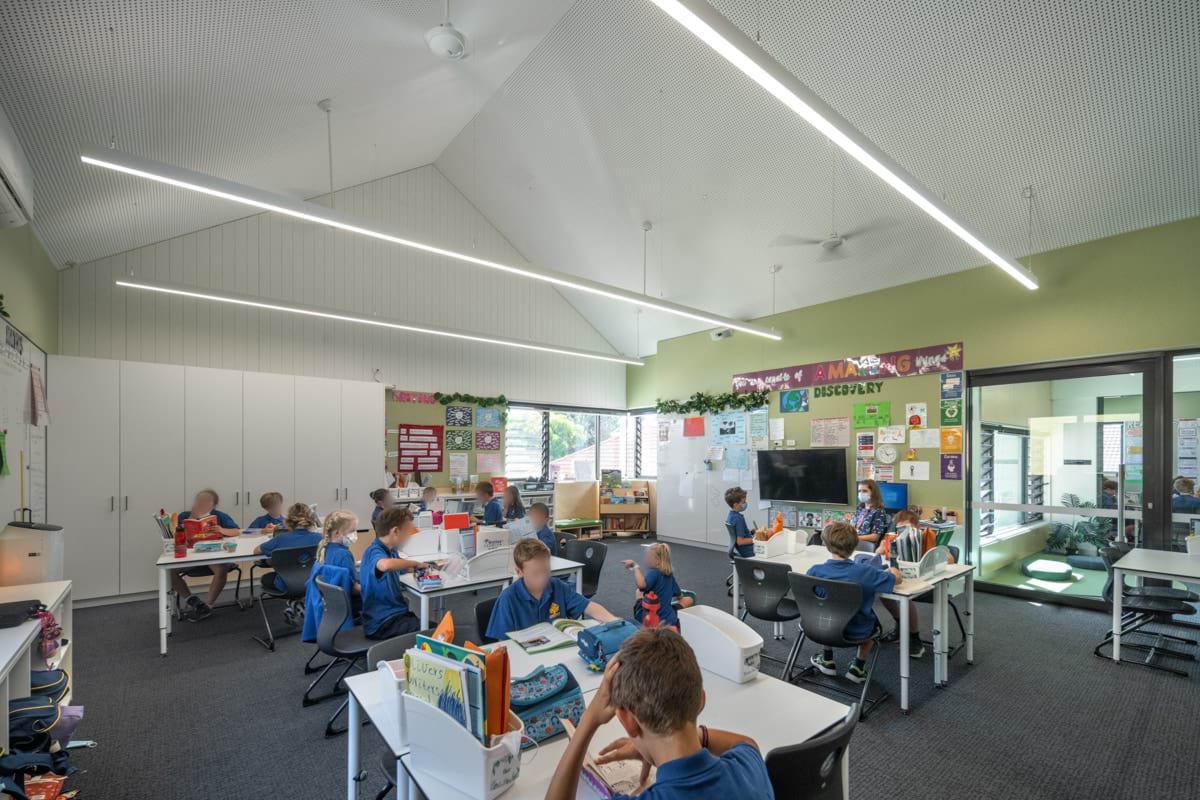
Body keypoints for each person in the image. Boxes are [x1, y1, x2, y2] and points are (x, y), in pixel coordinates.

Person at [546, 628, 773, 800]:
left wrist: (589, 720)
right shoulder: (749, 769)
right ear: (701, 701)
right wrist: (682, 738)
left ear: (628, 721)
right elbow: (746, 743)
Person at [807, 521, 904, 682]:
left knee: (826, 608)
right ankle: (858, 667)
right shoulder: (866, 572)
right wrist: (893, 569)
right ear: (855, 544)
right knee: (872, 625)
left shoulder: (814, 571)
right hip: (858, 631)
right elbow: (897, 580)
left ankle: (827, 659)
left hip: (820, 627)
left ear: (826, 545)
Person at [485, 539, 616, 641]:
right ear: (519, 572)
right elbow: (503, 643)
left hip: (557, 652)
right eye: (535, 573)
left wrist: (614, 620)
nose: (542, 578)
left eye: (546, 571)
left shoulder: (557, 586)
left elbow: (588, 606)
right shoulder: (508, 598)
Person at [172, 489, 241, 621]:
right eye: (199, 500)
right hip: (190, 555)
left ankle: (207, 606)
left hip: (212, 554)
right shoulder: (184, 515)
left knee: (222, 569)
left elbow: (236, 531)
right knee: (170, 571)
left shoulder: (219, 516)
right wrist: (192, 518)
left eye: (206, 501)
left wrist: (221, 530)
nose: (202, 503)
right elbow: (176, 536)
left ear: (213, 505)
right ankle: (192, 600)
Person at [360, 507, 429, 639]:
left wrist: (421, 567)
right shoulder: (374, 551)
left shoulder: (391, 551)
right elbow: (385, 565)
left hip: (393, 615)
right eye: (408, 532)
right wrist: (413, 563)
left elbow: (400, 567)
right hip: (383, 623)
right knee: (436, 631)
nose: (409, 537)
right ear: (396, 531)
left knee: (431, 626)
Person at [876, 509, 925, 656]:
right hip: (900, 577)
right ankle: (900, 625)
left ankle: (915, 638)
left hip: (922, 581)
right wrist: (887, 545)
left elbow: (949, 557)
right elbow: (878, 551)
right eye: (900, 528)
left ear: (916, 527)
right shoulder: (894, 539)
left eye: (907, 528)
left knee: (905, 598)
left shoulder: (923, 538)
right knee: (884, 593)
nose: (903, 532)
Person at [254, 503, 323, 592]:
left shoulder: (281, 539)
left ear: (289, 520)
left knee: (266, 578)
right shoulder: (320, 538)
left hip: (285, 585)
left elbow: (256, 551)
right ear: (311, 519)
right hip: (314, 582)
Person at [623, 542, 693, 628]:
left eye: (649, 557)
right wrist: (677, 597)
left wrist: (635, 567)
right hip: (668, 619)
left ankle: (640, 612)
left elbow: (641, 585)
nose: (646, 559)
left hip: (647, 619)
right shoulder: (670, 575)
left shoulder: (653, 573)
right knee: (689, 599)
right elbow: (679, 595)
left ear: (658, 561)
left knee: (638, 592)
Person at [724, 486, 760, 558]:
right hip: (749, 551)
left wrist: (751, 532)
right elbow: (740, 541)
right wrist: (756, 539)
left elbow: (738, 533)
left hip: (742, 550)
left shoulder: (730, 515)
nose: (745, 504)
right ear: (735, 505)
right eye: (743, 502)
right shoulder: (738, 519)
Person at [851, 479, 889, 544]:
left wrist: (854, 538)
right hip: (852, 541)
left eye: (865, 491)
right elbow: (853, 527)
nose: (861, 493)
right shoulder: (859, 508)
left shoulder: (879, 511)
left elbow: (875, 537)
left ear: (873, 493)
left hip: (864, 544)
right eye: (859, 491)